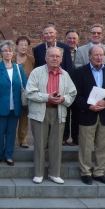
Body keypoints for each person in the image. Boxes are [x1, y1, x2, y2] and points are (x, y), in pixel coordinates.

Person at [26, 46, 76, 184]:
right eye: (52, 56)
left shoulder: (65, 74)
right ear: (46, 58)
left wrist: (63, 99)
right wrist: (47, 97)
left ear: (61, 59)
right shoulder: (37, 72)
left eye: (57, 56)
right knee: (40, 144)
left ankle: (54, 173)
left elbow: (72, 93)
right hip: (40, 112)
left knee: (56, 144)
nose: (55, 59)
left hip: (59, 112)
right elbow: (29, 92)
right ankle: (39, 173)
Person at [74, 45, 105, 185]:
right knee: (86, 146)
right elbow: (76, 94)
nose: (99, 58)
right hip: (87, 114)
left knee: (102, 146)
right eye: (96, 55)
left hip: (104, 114)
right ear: (89, 57)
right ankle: (86, 172)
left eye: (101, 55)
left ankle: (99, 172)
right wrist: (89, 106)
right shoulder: (81, 72)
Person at [0, 41, 27, 166]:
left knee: (11, 132)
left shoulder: (18, 68)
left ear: (13, 53)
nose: (8, 53)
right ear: (1, 53)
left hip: (15, 107)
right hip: (0, 107)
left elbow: (26, 87)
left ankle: (9, 155)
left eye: (10, 50)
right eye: (5, 50)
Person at [14, 36, 36, 148]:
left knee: (24, 116)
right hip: (12, 92)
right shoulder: (11, 58)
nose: (23, 47)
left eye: (25, 44)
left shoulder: (31, 59)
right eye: (21, 44)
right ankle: (11, 137)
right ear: (16, 46)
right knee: (12, 116)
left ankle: (22, 138)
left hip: (26, 92)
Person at [63, 29, 81, 146]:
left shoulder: (82, 52)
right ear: (65, 39)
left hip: (78, 87)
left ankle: (75, 138)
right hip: (64, 87)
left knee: (77, 114)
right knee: (65, 114)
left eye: (74, 38)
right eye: (69, 38)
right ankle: (64, 137)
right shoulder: (62, 52)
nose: (72, 40)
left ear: (78, 40)